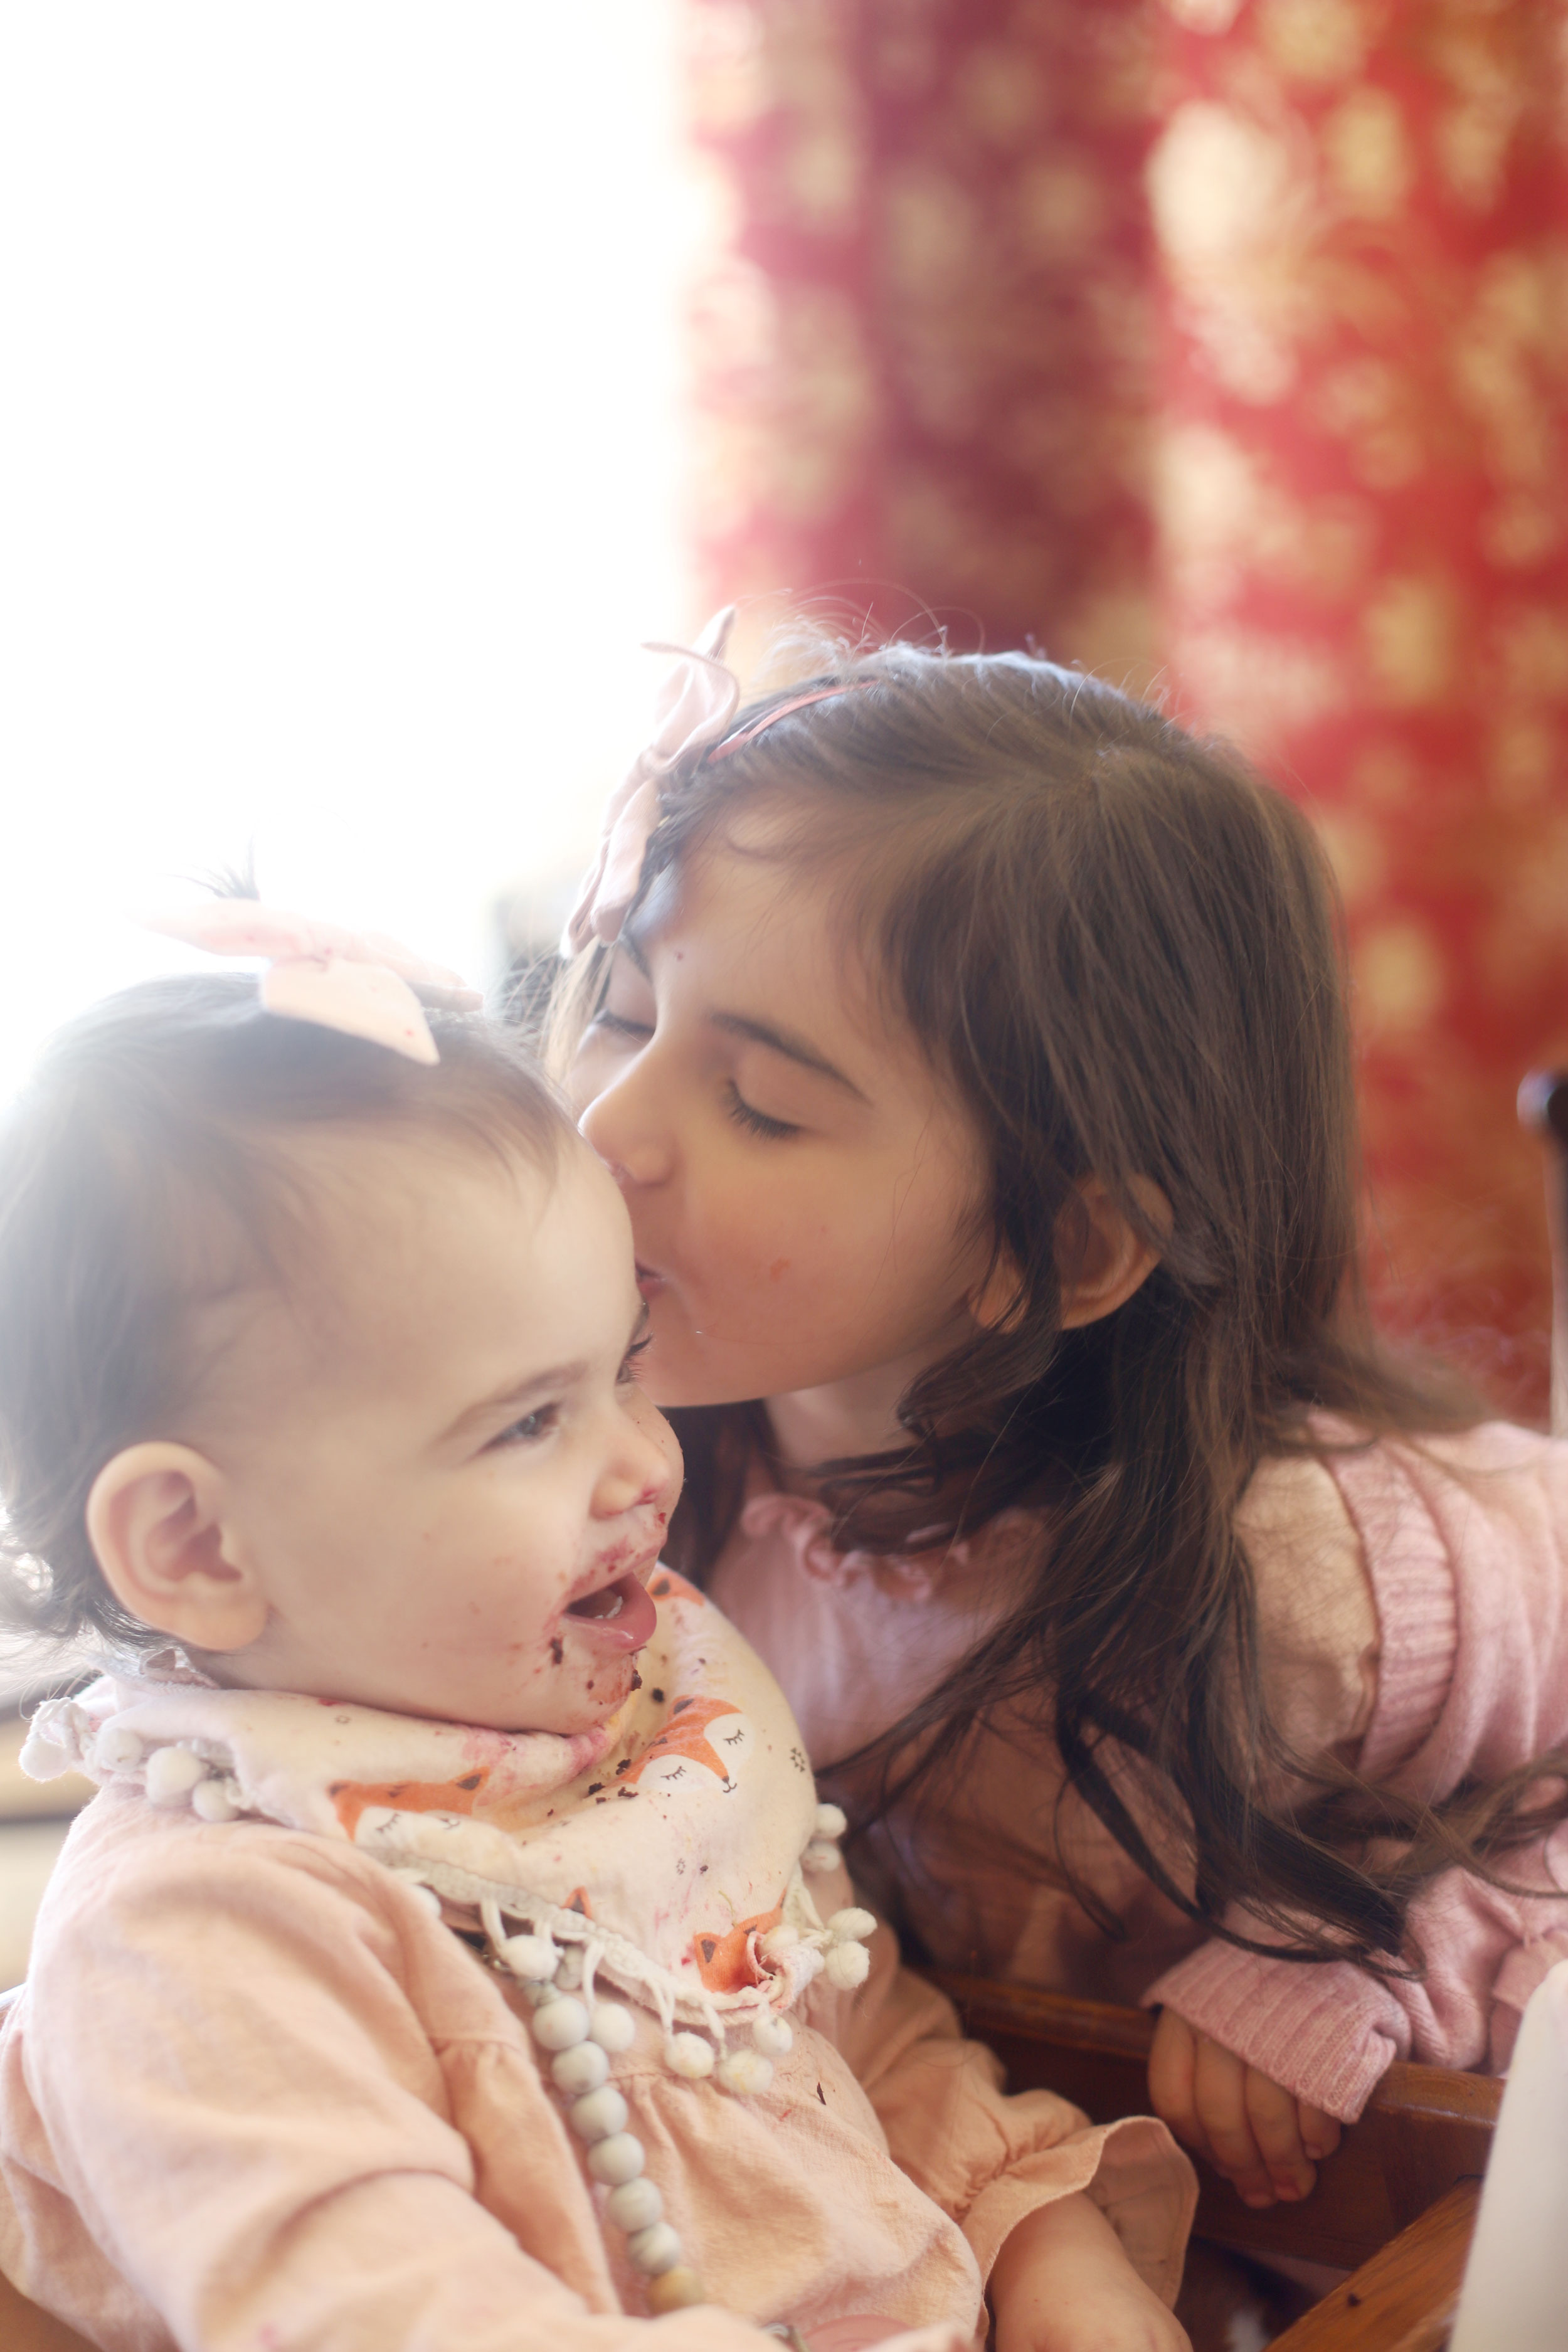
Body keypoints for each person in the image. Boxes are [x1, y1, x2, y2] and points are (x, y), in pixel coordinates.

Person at [0, 906, 1195, 2352]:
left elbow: (829, 2037)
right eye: (526, 1421)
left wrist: (1035, 2233)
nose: (643, 1467)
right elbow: (362, 2308)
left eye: (625, 1369)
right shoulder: (203, 1935)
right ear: (197, 1546)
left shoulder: (630, 1723)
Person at [559, 613, 1568, 2220]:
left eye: (760, 1102)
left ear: (1063, 1246)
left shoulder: (1322, 1581)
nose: (610, 1125)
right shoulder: (633, 1472)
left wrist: (1365, 1958)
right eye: (618, 1008)